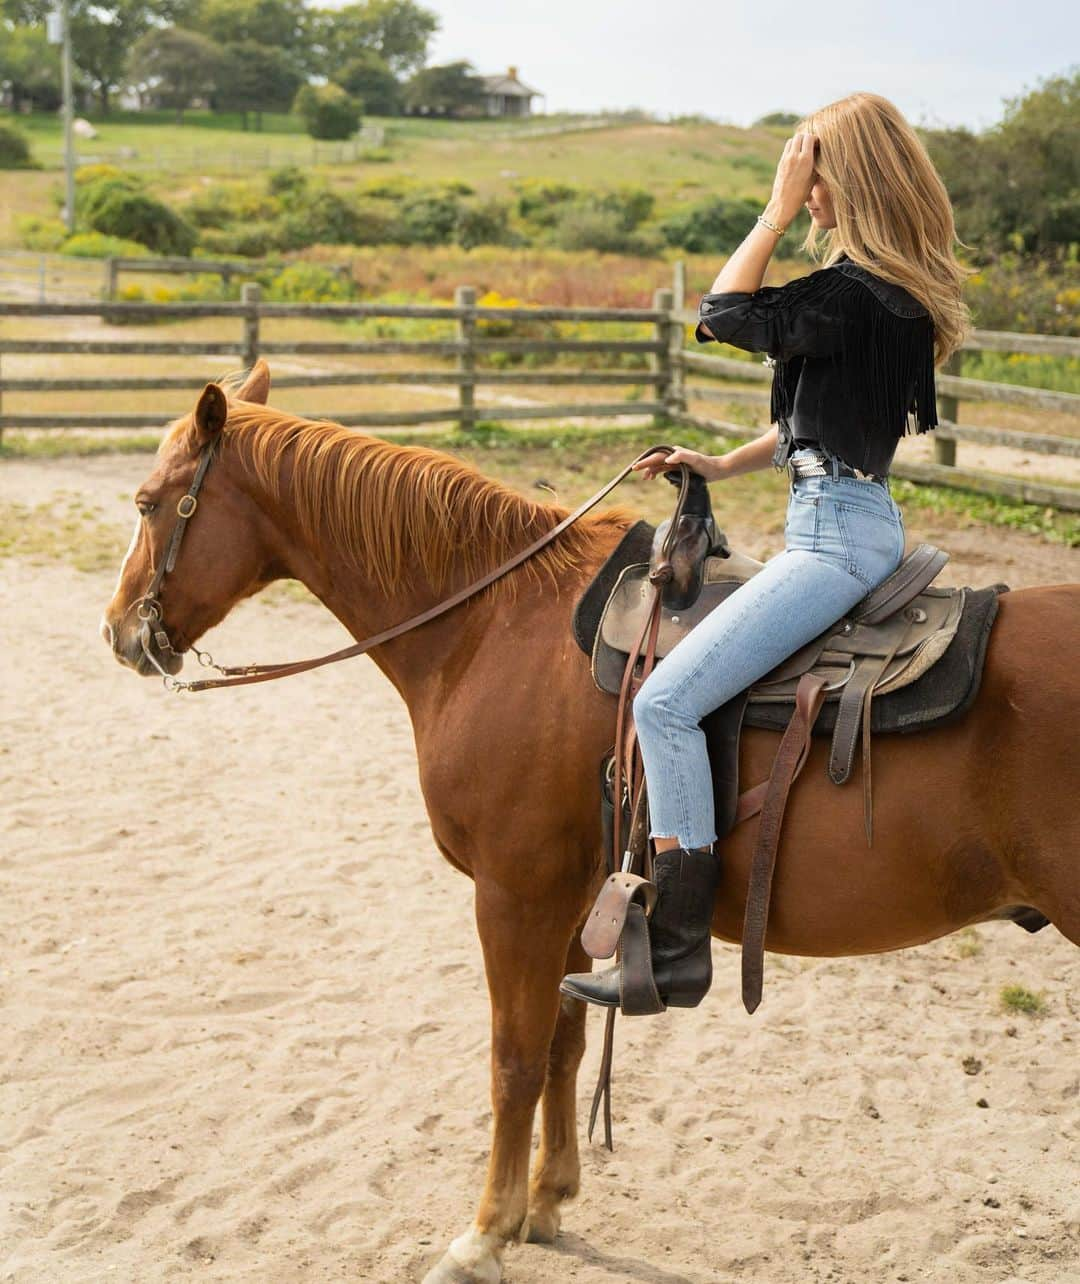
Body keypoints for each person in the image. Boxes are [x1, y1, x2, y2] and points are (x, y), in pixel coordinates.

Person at [561, 91, 971, 1013]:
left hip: (831, 542)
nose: (806, 190)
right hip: (854, 519)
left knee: (664, 702)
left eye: (811, 170)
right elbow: (822, 426)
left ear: (843, 177)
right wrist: (722, 460)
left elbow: (722, 310)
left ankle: (672, 950)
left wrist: (772, 212)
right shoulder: (887, 299)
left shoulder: (849, 292)